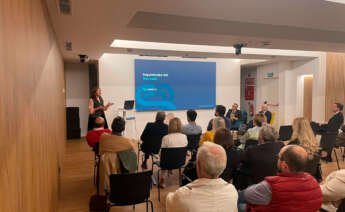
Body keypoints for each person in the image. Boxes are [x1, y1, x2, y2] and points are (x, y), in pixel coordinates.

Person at [238, 145, 322, 212]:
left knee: (235, 200)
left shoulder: (271, 186)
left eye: (278, 157)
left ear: (284, 166)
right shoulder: (314, 182)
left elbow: (244, 196)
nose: (277, 160)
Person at [166, 142, 238, 212]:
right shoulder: (232, 191)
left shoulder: (182, 195)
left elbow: (169, 203)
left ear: (198, 166)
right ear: (223, 167)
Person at [99, 116, 137, 191]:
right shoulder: (127, 142)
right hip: (119, 170)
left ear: (112, 126)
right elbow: (134, 155)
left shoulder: (103, 137)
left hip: (104, 169)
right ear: (123, 129)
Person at [159, 117, 188, 188]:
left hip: (166, 163)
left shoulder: (166, 138)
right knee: (172, 155)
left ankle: (162, 180)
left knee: (165, 158)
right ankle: (170, 169)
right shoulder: (184, 136)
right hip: (180, 162)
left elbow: (161, 154)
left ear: (170, 126)